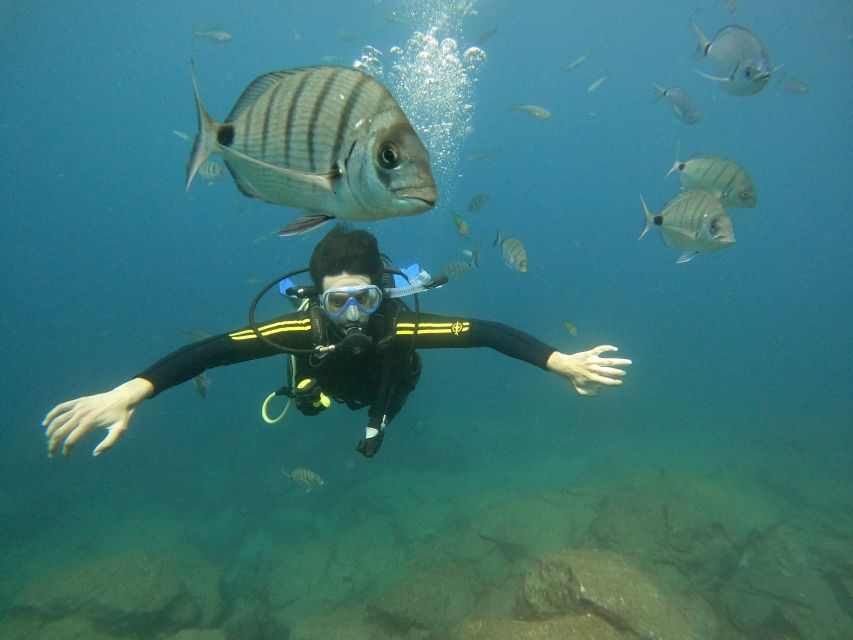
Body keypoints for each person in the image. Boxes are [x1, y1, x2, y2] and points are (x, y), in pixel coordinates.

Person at [43, 225, 632, 459]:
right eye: (336, 302)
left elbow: (485, 334)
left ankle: (373, 419)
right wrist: (132, 390)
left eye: (364, 299)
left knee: (388, 403)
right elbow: (216, 349)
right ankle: (310, 392)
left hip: (390, 384)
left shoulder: (399, 325)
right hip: (322, 375)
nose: (352, 315)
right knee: (307, 391)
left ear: (383, 292)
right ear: (316, 299)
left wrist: (560, 361)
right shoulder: (306, 327)